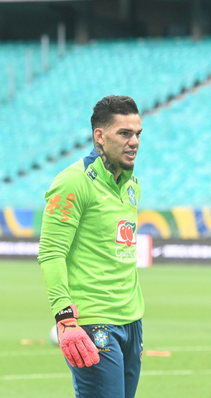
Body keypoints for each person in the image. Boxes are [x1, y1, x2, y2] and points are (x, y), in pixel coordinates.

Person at [38, 95, 145, 398]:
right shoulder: (73, 182)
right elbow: (51, 252)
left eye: (137, 134)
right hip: (93, 322)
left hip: (132, 319)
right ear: (100, 135)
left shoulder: (132, 183)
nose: (134, 141)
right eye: (124, 133)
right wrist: (65, 318)